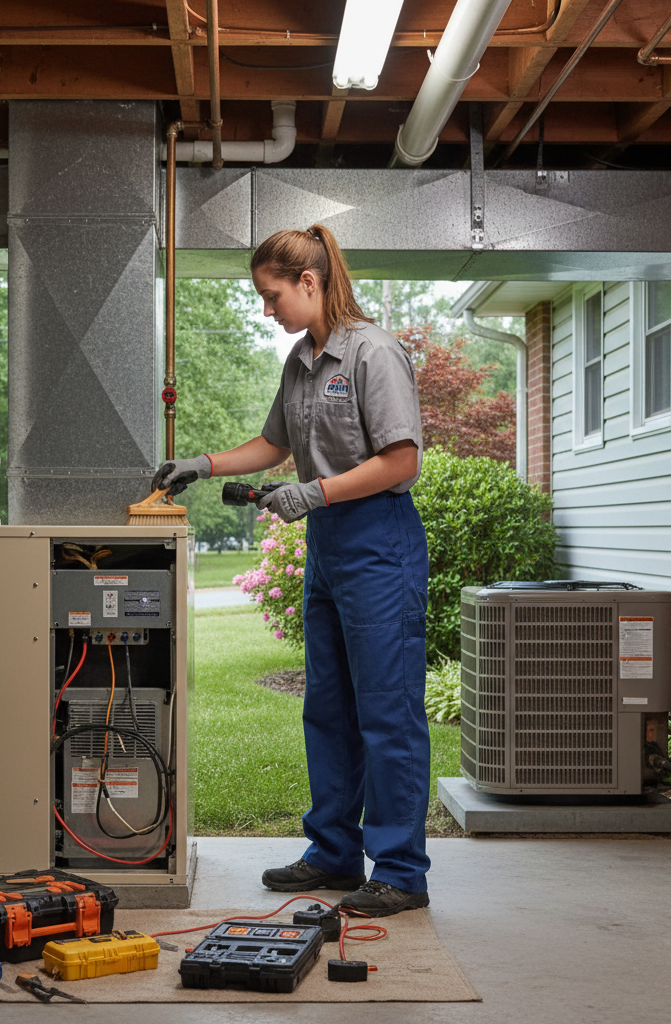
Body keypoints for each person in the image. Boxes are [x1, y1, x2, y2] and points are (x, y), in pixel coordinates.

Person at [153, 224, 430, 917]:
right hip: (330, 549)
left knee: (387, 715)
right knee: (328, 708)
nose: (266, 310)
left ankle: (399, 869)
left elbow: (402, 461)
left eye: (272, 296)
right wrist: (204, 463)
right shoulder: (302, 361)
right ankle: (334, 852)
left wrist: (316, 491)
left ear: (310, 283)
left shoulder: (373, 352)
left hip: (379, 543)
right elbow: (276, 443)